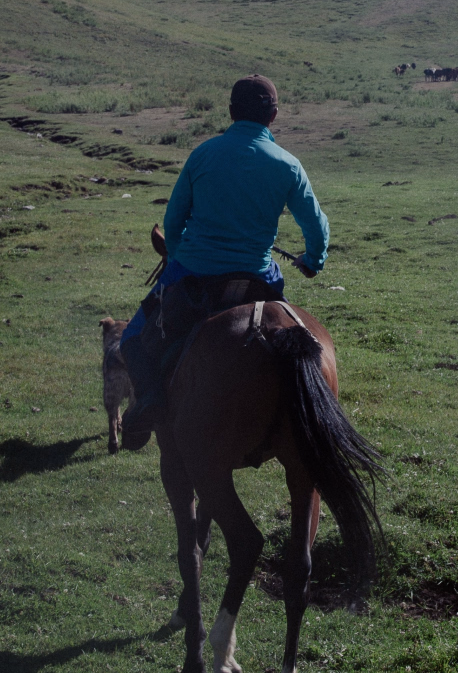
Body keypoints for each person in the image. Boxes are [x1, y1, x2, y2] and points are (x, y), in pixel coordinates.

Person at [118, 75, 330, 449]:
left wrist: (181, 257)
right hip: (257, 276)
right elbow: (316, 225)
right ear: (274, 116)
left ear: (231, 112)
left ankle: (149, 400)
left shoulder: (203, 154)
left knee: (133, 336)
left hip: (195, 271)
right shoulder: (288, 164)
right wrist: (313, 259)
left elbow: (173, 221)